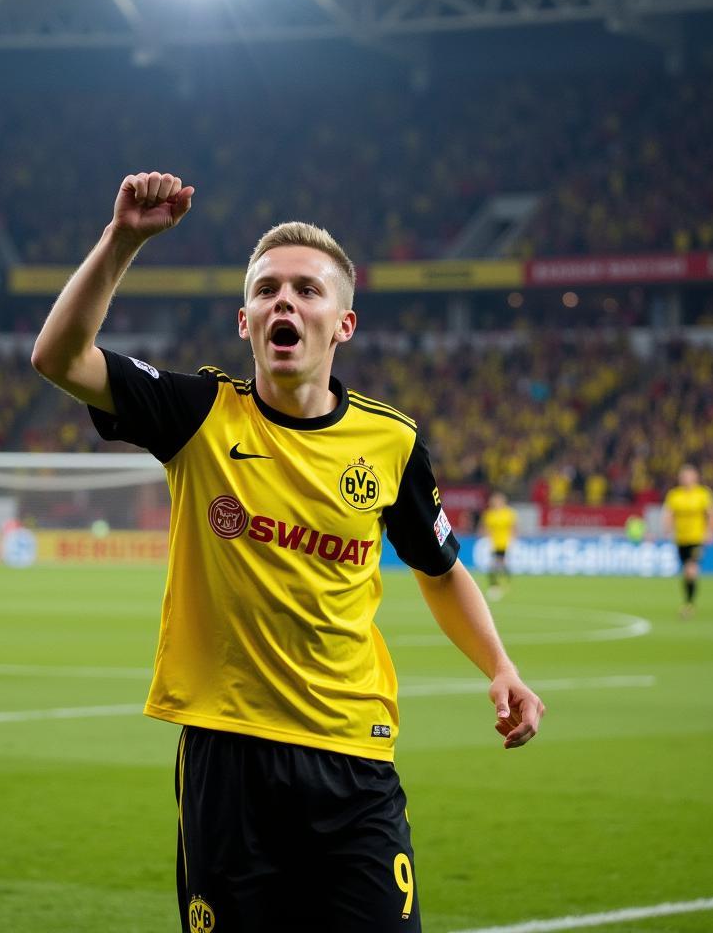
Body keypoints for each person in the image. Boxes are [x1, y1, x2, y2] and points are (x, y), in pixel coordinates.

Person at [32, 171, 545, 933]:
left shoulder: (392, 443)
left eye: (307, 290)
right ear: (245, 322)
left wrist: (501, 666)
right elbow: (58, 358)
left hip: (355, 760)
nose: (285, 301)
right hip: (229, 758)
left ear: (343, 324)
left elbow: (440, 570)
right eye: (268, 289)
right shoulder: (198, 415)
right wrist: (122, 242)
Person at [661, 463, 713, 618]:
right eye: (682, 476)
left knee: (691, 569)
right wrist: (667, 528)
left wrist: (710, 532)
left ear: (695, 477)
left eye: (687, 475)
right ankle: (688, 601)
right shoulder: (674, 495)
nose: (684, 478)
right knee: (686, 573)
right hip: (681, 539)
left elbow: (712, 514)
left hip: (697, 538)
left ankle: (689, 604)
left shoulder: (703, 494)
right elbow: (668, 514)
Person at [480, 490, 517, 601]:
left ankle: (497, 586)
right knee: (496, 565)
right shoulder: (489, 514)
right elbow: (485, 528)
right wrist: (486, 538)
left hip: (504, 543)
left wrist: (513, 539)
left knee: (497, 565)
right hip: (493, 544)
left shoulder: (508, 513)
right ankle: (499, 585)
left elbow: (513, 527)